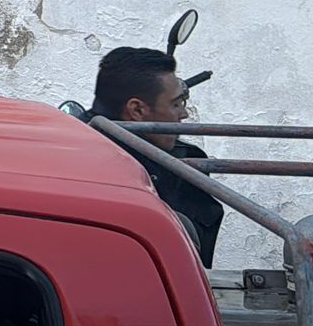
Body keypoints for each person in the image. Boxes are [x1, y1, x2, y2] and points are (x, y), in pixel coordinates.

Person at [91, 46, 223, 267]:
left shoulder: (83, 140)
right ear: (137, 110)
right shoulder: (119, 172)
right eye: (175, 104)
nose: (184, 114)